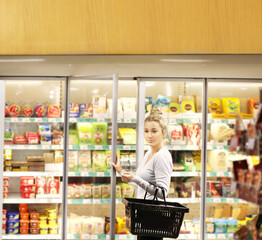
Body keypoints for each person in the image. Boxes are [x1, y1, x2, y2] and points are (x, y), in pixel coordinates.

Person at [111, 107, 173, 240]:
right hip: (144, 216)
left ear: (164, 132)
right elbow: (141, 184)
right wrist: (122, 171)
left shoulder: (162, 156)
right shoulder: (149, 153)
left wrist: (136, 179)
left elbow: (162, 193)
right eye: (146, 131)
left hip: (153, 218)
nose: (149, 135)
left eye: (154, 131)